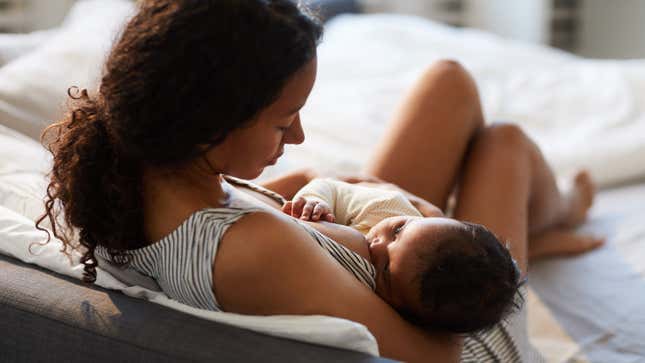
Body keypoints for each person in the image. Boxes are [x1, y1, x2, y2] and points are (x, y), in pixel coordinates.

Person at [35, 1, 603, 361]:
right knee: (503, 144)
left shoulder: (131, 174)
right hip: (468, 315)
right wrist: (426, 218)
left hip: (376, 251)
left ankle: (544, 224)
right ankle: (559, 213)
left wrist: (316, 196)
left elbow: (278, 209)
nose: (300, 135)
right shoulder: (254, 249)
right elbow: (438, 357)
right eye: (284, 120)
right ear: (210, 122)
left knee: (448, 82)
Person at [283, 177, 523, 334]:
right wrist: (317, 201)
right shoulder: (389, 208)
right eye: (397, 230)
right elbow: (330, 186)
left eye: (386, 268)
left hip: (495, 346)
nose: (376, 244)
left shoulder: (390, 313)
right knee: (505, 137)